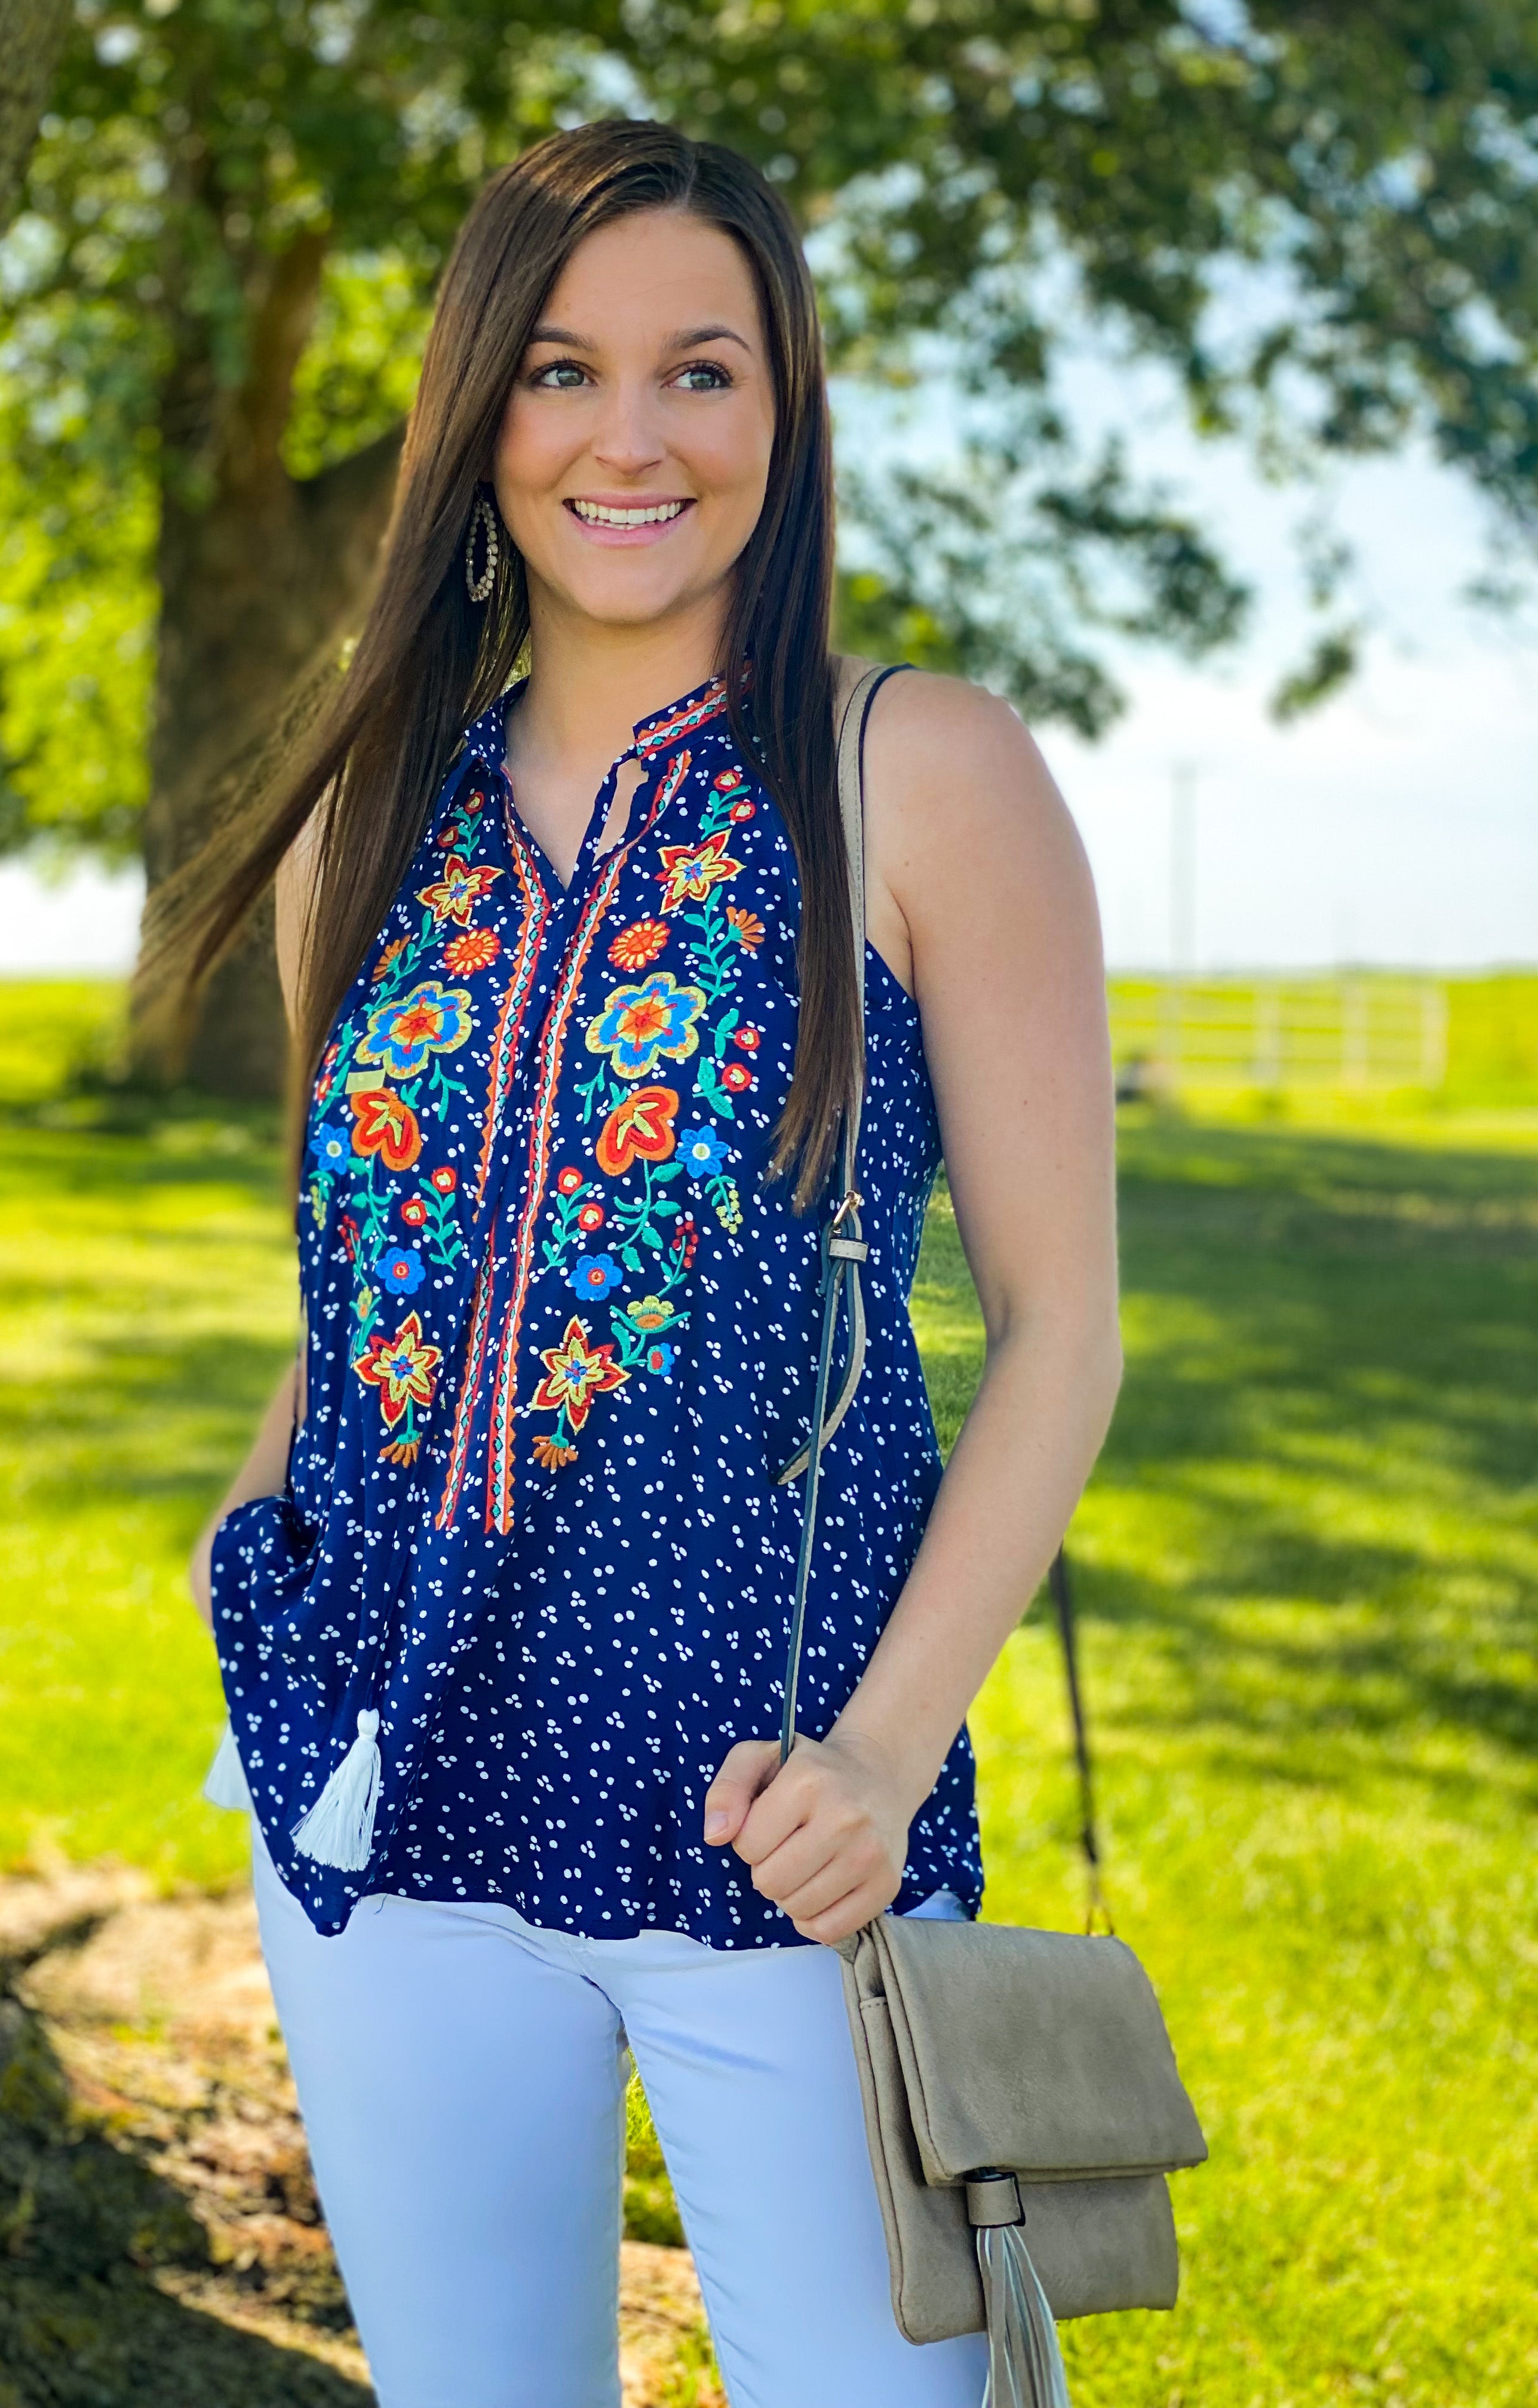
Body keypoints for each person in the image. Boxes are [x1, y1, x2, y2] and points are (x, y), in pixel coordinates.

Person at [171, 118, 1120, 2408]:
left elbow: (1062, 1336)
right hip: (388, 1812)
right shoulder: (363, 818)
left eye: (702, 371)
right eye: (563, 369)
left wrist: (886, 1763)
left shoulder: (924, 773)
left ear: (783, 418)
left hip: (779, 1831)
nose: (630, 436)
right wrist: (250, 1534)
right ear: (479, 413)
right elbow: (370, 1270)